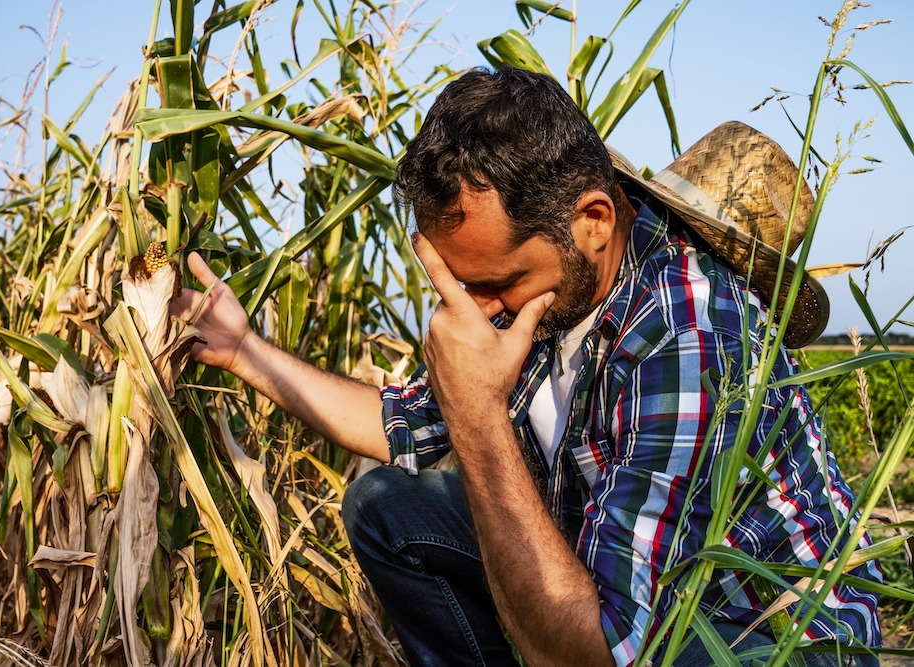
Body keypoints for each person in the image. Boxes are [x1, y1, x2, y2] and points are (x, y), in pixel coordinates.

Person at [174, 67, 882, 666]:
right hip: (628, 592)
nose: (474, 311)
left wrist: (479, 416)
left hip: (772, 632)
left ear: (594, 222)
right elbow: (403, 422)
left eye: (494, 282)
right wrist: (242, 348)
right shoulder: (547, 290)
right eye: (458, 284)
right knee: (387, 506)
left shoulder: (691, 334)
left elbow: (610, 646)